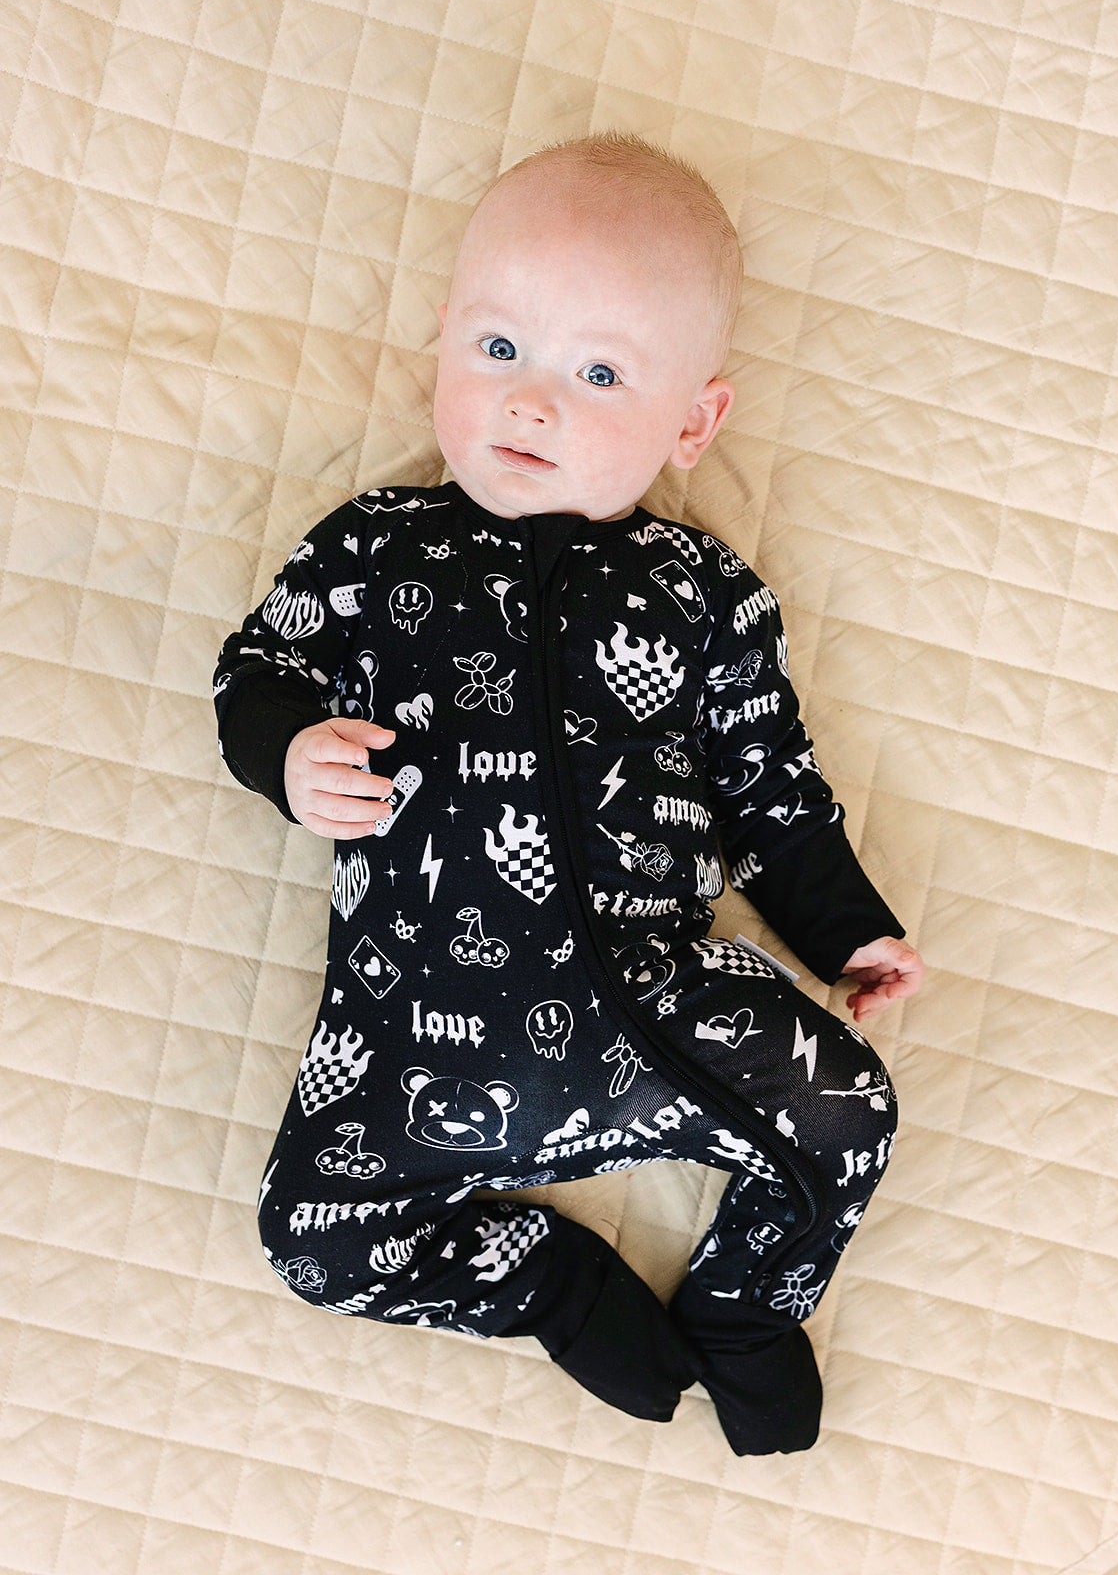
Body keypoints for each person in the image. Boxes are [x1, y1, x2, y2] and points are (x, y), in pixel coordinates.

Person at [213, 131, 924, 1455]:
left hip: (658, 1016)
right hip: (411, 1042)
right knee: (311, 1243)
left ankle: (743, 1310)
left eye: (597, 373)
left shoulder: (702, 593)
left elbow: (769, 783)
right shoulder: (375, 546)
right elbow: (257, 668)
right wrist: (288, 749)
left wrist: (846, 930)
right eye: (498, 349)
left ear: (692, 423)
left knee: (852, 1115)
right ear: (441, 344)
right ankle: (544, 1281)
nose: (530, 402)